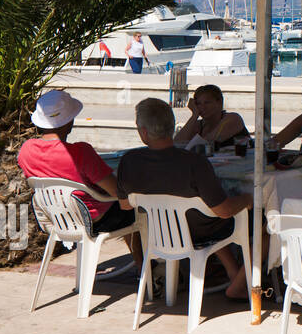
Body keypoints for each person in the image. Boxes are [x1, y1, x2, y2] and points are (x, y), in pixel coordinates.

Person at [117, 98, 252, 299]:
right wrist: (249, 199)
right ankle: (241, 281)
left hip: (158, 232)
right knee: (258, 221)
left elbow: (125, 205)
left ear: (143, 132)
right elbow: (223, 211)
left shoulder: (129, 161)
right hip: (200, 231)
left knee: (202, 215)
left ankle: (232, 272)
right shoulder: (194, 162)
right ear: (172, 128)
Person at [18, 90, 142, 266]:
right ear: (69, 123)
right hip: (93, 220)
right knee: (135, 209)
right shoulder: (81, 153)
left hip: (57, 219)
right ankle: (144, 269)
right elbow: (116, 190)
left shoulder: (26, 150)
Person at [175, 84, 247, 149]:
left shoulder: (233, 119)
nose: (203, 107)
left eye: (207, 103)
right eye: (198, 104)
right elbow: (177, 144)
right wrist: (194, 116)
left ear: (219, 102)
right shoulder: (198, 125)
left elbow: (207, 142)